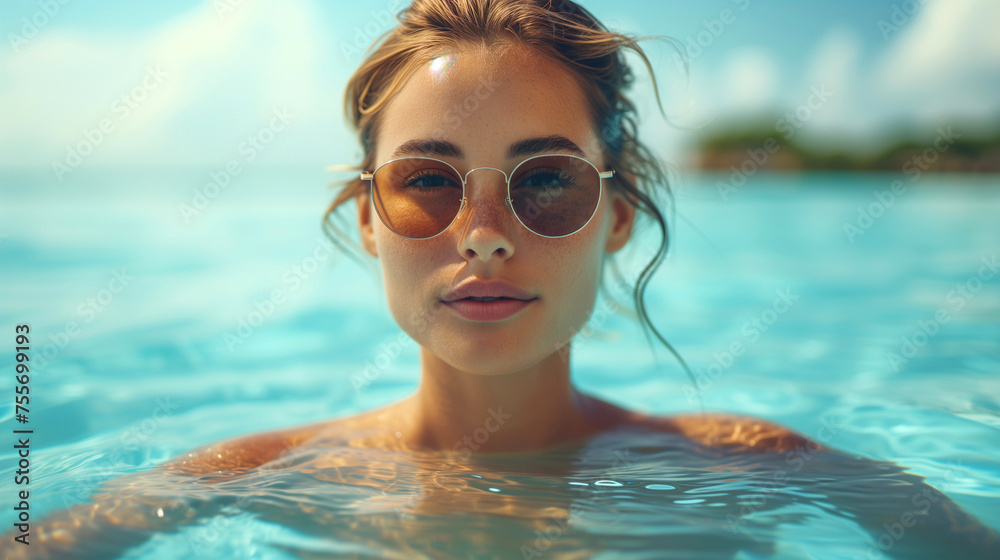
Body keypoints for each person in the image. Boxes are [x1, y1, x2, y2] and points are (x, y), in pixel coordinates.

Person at [4, 1, 998, 558]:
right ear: (367, 215)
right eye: (427, 180)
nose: (481, 237)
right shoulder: (238, 478)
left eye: (546, 182)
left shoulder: (753, 468)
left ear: (614, 214)